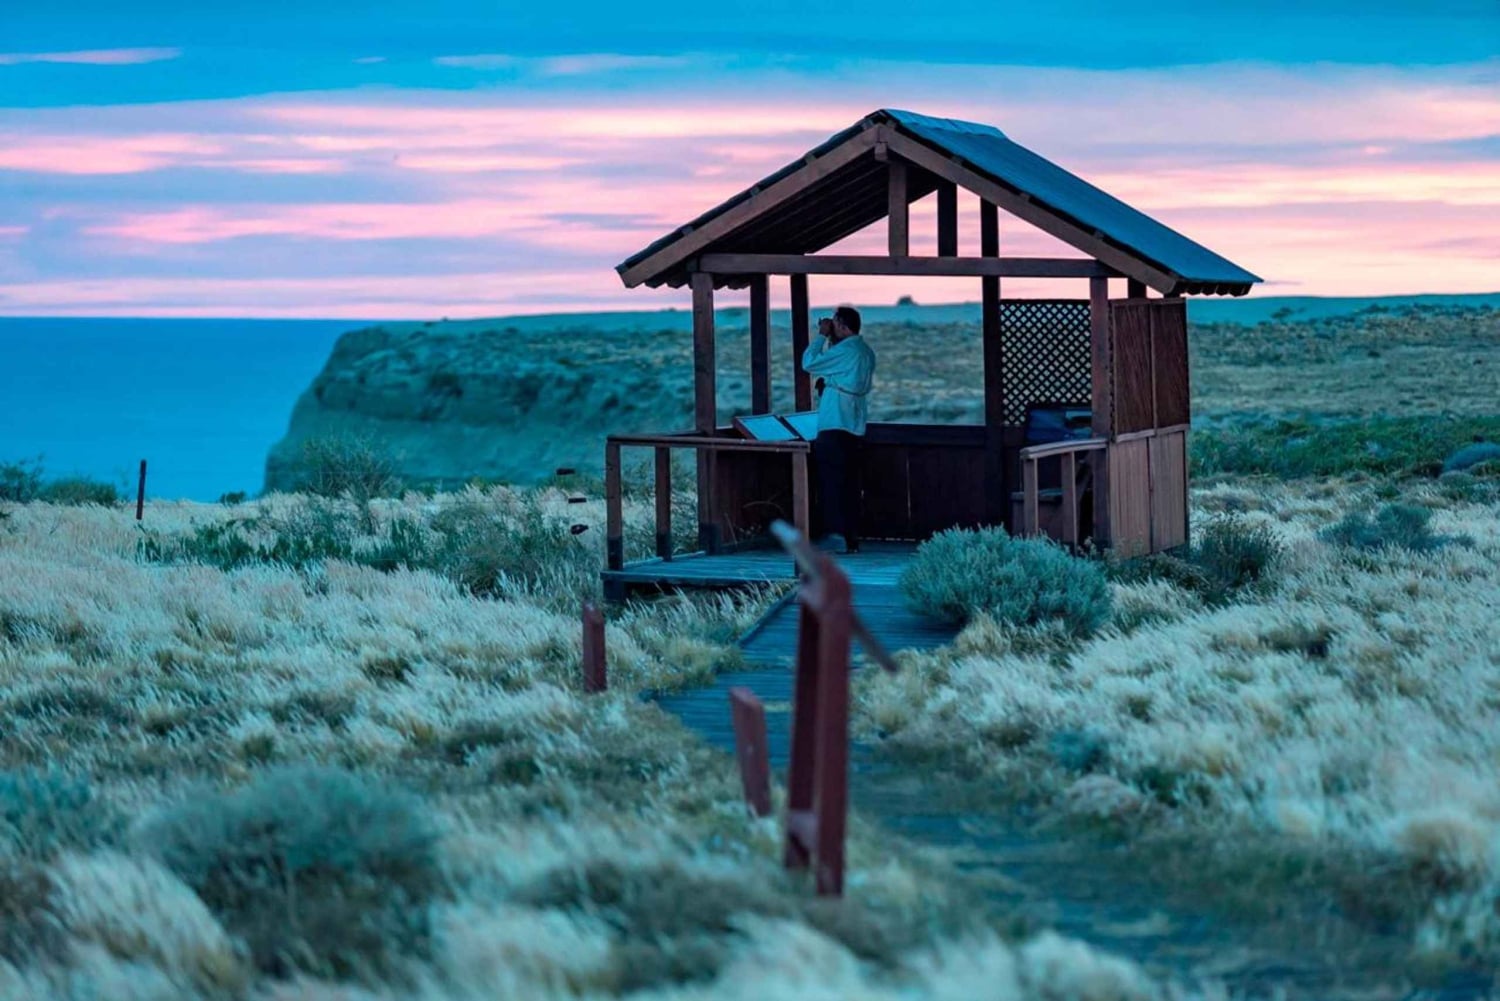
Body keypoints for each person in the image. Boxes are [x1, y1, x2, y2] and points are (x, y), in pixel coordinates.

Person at [800, 305, 875, 554]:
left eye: (834, 323)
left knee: (831, 482)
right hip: (855, 424)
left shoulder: (847, 350)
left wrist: (821, 335)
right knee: (850, 483)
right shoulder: (864, 351)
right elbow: (838, 371)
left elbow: (809, 363)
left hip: (835, 422)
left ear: (842, 325)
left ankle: (836, 536)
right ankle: (850, 537)